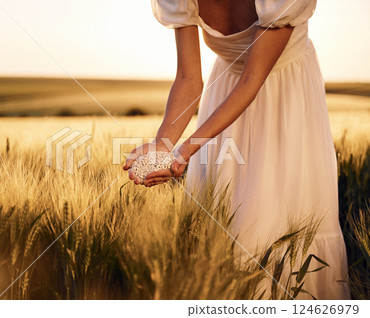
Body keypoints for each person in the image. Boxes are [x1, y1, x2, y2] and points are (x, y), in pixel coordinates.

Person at [123, 0, 351, 299]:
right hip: (225, 94)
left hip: (284, 97)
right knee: (224, 221)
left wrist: (186, 150)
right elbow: (189, 79)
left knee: (275, 218)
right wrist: (163, 144)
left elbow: (252, 80)